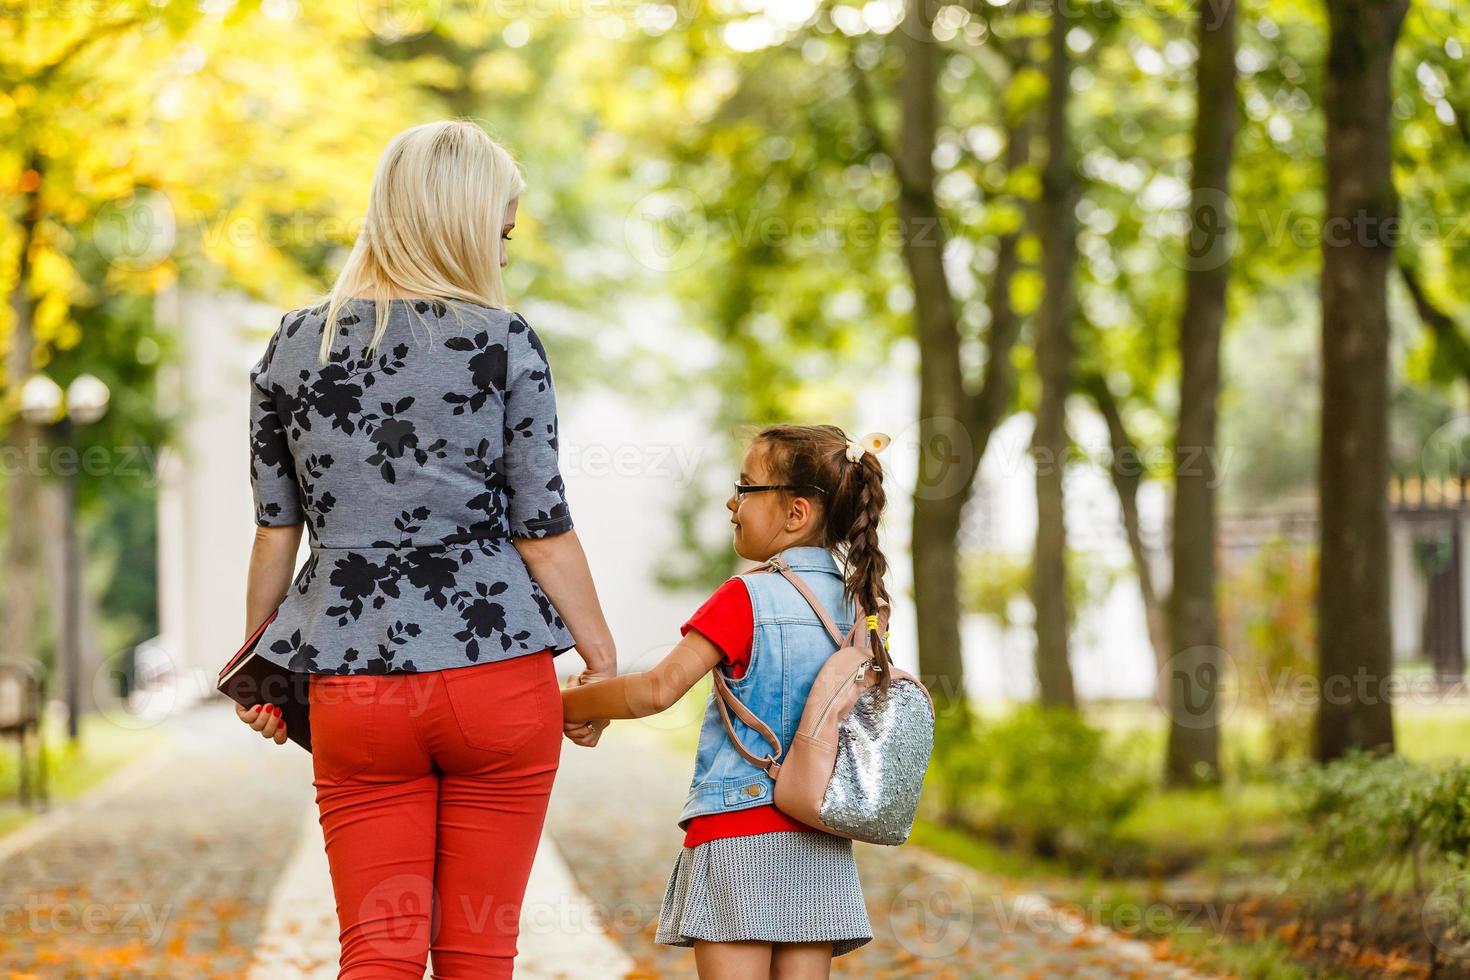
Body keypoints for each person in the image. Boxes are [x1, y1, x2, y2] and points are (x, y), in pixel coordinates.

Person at [235, 119, 614, 979]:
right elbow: (542, 526)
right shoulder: (503, 340)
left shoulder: (297, 343)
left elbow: (274, 528)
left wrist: (255, 665)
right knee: (481, 955)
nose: (505, 256)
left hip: (355, 686)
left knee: (377, 953)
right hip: (499, 679)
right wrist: (598, 661)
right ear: (463, 226)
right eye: (501, 234)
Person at [562, 423, 891, 979]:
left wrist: (564, 702)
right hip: (821, 839)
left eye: (746, 487)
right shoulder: (861, 607)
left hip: (739, 831)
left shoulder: (745, 596)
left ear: (796, 513)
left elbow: (657, 689)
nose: (730, 501)